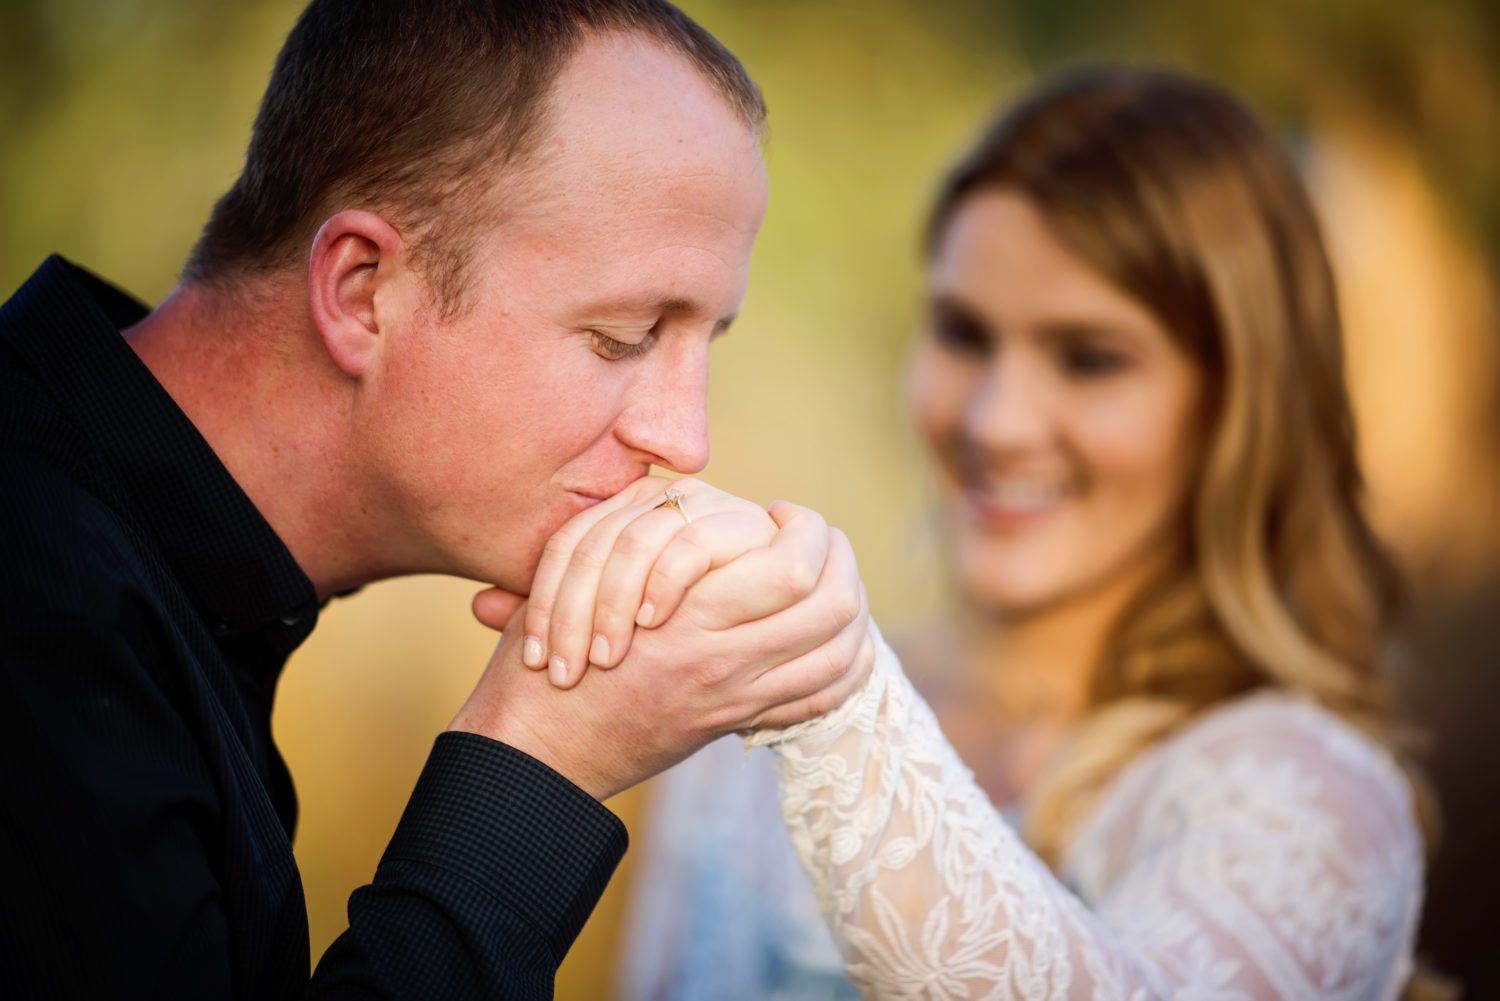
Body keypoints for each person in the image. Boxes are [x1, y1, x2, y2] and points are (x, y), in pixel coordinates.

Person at [0, 2, 876, 997]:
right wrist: (539, 759)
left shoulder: (113, 558)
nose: (686, 440)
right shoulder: (36, 591)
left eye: (703, 341)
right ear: (363, 290)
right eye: (626, 335)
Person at [536, 67, 1430, 998]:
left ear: (1235, 406)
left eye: (1089, 358)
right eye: (964, 334)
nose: (998, 421)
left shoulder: (1311, 798)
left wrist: (834, 699)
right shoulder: (736, 745)